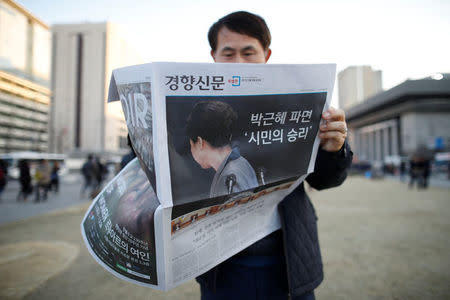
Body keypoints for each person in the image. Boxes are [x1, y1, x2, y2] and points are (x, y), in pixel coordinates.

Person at [196, 11, 352, 300]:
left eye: (248, 52)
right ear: (213, 56)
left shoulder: (297, 99)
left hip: (288, 263)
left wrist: (335, 149)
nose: (239, 63)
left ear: (266, 55)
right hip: (222, 269)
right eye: (228, 53)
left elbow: (325, 180)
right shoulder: (200, 111)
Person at [186, 100, 258, 197]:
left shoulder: (227, 179)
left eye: (191, 145)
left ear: (199, 142)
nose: (191, 150)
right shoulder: (242, 162)